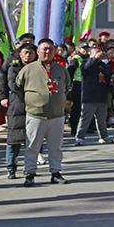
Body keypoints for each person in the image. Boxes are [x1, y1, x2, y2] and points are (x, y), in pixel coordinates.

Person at [14, 38, 71, 186]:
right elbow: (18, 88)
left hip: (57, 115)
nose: (47, 52)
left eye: (50, 49)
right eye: (44, 49)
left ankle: (56, 173)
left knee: (56, 147)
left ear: (55, 51)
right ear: (38, 52)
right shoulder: (28, 69)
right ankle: (30, 173)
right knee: (32, 146)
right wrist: (32, 101)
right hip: (35, 115)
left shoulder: (61, 69)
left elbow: (68, 87)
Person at [4, 43, 36, 178]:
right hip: (16, 105)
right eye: (25, 52)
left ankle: (29, 168)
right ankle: (11, 168)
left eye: (31, 53)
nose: (28, 55)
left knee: (32, 141)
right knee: (13, 141)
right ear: (20, 54)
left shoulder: (39, 68)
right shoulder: (13, 67)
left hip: (34, 106)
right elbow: (13, 84)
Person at [75, 47, 113, 146]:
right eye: (96, 53)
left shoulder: (102, 66)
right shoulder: (85, 63)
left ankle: (104, 136)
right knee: (85, 119)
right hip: (90, 97)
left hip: (101, 96)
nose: (99, 55)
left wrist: (106, 59)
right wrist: (94, 59)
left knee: (102, 120)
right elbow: (86, 68)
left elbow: (108, 75)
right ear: (91, 55)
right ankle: (79, 137)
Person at [66, 42, 88, 137]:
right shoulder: (76, 59)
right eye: (83, 48)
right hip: (76, 86)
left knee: (83, 109)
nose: (85, 50)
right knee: (76, 109)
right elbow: (69, 73)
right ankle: (74, 129)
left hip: (85, 86)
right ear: (78, 49)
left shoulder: (88, 59)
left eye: (87, 48)